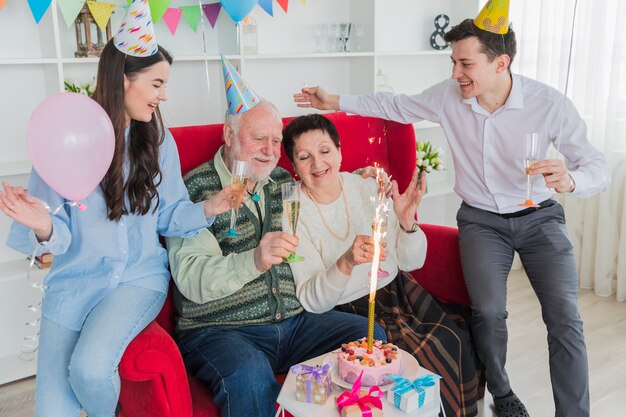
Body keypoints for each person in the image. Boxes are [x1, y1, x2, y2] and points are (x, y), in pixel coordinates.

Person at [292, 6, 610, 417]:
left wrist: (570, 180)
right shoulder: (448, 96)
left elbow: (597, 168)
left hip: (539, 217)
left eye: (466, 64)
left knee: (565, 319)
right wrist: (333, 98)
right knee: (490, 311)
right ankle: (503, 394)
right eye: (453, 63)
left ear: (501, 63)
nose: (456, 73)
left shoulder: (548, 104)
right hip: (481, 220)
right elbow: (395, 105)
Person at [0, 14, 237, 417]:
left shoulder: (158, 141)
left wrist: (211, 207)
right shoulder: (65, 133)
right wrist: (41, 226)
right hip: (73, 284)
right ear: (124, 78)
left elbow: (169, 217)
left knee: (90, 371)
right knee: (52, 411)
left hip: (137, 281)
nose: (162, 96)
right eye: (157, 84)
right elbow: (54, 232)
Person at [165, 99, 385, 417]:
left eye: (276, 140)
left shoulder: (281, 182)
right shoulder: (195, 191)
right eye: (259, 138)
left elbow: (324, 183)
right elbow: (192, 279)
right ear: (229, 134)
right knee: (249, 374)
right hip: (221, 330)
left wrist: (362, 182)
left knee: (368, 339)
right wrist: (254, 260)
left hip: (293, 325)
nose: (269, 150)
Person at [281, 113, 481, 417]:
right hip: (346, 310)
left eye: (325, 151)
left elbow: (410, 261)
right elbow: (312, 300)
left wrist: (406, 222)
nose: (317, 164)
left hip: (397, 292)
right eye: (304, 157)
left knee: (452, 336)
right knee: (409, 362)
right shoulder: (293, 210)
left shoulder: (366, 187)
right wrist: (346, 262)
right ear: (294, 168)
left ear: (339, 150)